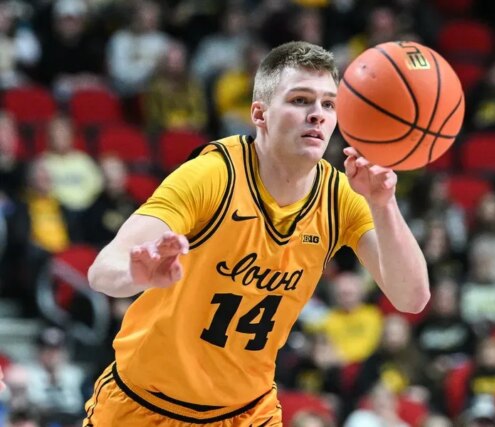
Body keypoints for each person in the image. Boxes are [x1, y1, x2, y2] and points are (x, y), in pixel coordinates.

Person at [84, 41, 430, 426]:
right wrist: (136, 275)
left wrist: (384, 204)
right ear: (260, 113)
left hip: (246, 412)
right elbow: (102, 270)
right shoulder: (213, 175)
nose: (317, 114)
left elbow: (412, 297)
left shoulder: (340, 197)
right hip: (145, 405)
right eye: (300, 100)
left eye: (329, 104)